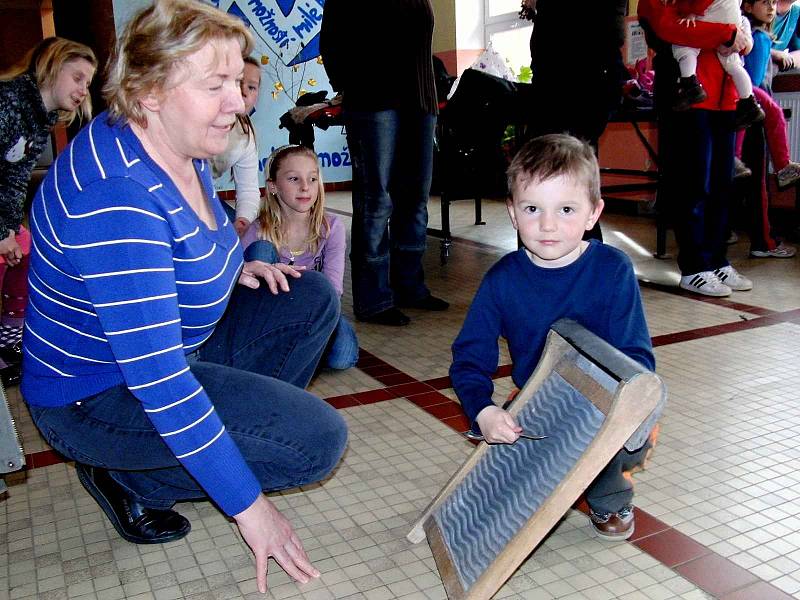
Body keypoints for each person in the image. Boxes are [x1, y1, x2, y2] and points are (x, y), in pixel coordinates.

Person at [20, 0, 347, 594]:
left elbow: (195, 243)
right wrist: (250, 510)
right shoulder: (116, 196)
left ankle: (201, 451)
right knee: (316, 444)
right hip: (97, 396)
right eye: (215, 83)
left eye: (237, 79)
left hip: (169, 345)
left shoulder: (173, 138)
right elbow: (161, 381)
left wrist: (234, 270)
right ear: (149, 90)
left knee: (312, 298)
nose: (239, 101)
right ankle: (133, 476)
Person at [450, 134, 655, 540]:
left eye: (565, 209)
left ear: (593, 213)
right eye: (532, 208)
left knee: (607, 445)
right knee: (504, 488)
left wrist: (626, 413)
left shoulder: (612, 270)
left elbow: (637, 359)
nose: (547, 225)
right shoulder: (501, 281)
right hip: (539, 402)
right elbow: (470, 358)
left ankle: (610, 493)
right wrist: (484, 411)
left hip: (605, 406)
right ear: (512, 212)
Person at [320, 0, 449, 327]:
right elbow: (332, 45)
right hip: (373, 102)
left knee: (415, 201)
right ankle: (374, 299)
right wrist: (351, 87)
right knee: (376, 202)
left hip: (421, 100)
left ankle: (409, 286)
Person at [639, 0, 755, 297]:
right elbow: (668, 27)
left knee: (721, 183)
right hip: (687, 97)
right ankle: (693, 266)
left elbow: (739, 32)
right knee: (692, 182)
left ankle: (716, 260)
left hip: (723, 95)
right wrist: (727, 34)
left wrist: (739, 36)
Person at [0, 37, 96, 379]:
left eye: (87, 82)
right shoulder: (8, 102)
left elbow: (14, 179)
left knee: (24, 248)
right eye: (78, 77)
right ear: (51, 68)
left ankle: (9, 340)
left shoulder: (39, 119)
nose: (84, 89)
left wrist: (11, 229)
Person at [241, 144, 359, 370]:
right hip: (271, 316)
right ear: (273, 186)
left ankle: (289, 349)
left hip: (313, 312)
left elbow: (333, 291)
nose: (306, 187)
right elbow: (238, 285)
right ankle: (284, 347)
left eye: (313, 179)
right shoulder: (258, 229)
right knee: (261, 250)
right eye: (294, 179)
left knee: (342, 357)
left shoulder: (332, 227)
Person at [521, 0, 629, 242]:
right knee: (560, 173)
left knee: (561, 173)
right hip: (570, 76)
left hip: (578, 77)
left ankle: (575, 254)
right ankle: (572, 253)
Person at [736, 0, 798, 257]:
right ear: (748, 7)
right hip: (754, 113)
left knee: (745, 180)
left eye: (773, 2)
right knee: (758, 183)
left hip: (744, 111)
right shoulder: (758, 37)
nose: (772, 7)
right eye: (765, 2)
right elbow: (751, 81)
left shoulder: (747, 35)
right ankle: (764, 242)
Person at [667, 0, 766, 128]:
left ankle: (690, 84)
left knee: (684, 42)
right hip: (719, 98)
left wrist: (693, 13)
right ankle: (749, 102)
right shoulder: (740, 18)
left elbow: (745, 46)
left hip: (722, 99)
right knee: (733, 64)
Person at [210, 55, 262, 236]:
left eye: (251, 87)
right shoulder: (200, 118)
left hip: (206, 197)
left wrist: (243, 221)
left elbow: (248, 189)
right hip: (172, 199)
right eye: (237, 82)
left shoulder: (245, 135)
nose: (244, 92)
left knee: (258, 241)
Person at [771, 0, 800, 71]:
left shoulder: (796, 13)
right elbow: (744, 44)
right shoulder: (757, 7)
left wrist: (787, 59)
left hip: (771, 73)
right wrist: (774, 54)